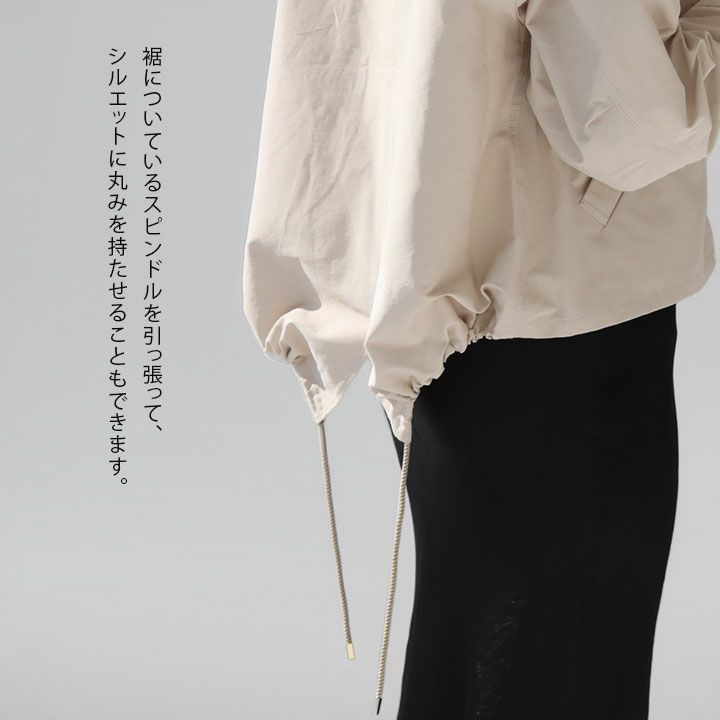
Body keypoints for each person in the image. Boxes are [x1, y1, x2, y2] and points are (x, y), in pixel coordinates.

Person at [242, 1, 720, 717]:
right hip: (559, 294)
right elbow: (627, 120)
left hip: (428, 277)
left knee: (470, 645)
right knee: (557, 661)